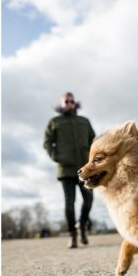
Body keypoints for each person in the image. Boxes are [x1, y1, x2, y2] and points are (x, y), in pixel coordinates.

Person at [43, 92, 96, 248]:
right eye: (66, 101)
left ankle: (83, 225)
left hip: (85, 167)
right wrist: (57, 157)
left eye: (72, 101)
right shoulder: (54, 121)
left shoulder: (84, 121)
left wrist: (93, 160)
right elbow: (47, 142)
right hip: (65, 169)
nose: (69, 103)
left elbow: (94, 141)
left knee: (88, 199)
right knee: (69, 202)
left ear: (75, 103)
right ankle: (73, 235)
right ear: (62, 104)